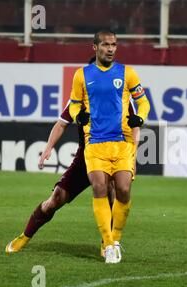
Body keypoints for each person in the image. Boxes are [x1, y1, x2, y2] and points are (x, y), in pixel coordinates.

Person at [5, 57, 140, 257]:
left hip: (113, 154)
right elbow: (61, 124)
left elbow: (135, 126)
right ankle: (24, 236)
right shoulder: (80, 98)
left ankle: (108, 242)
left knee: (114, 191)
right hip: (86, 157)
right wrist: (49, 147)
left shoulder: (122, 98)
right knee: (56, 198)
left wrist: (132, 155)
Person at [68, 30, 150, 264]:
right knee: (99, 187)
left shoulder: (128, 73)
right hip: (94, 141)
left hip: (122, 142)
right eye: (105, 45)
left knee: (123, 189)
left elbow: (142, 101)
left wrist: (140, 118)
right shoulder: (81, 75)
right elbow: (74, 104)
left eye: (114, 44)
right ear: (94, 47)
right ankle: (108, 244)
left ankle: (115, 239)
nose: (111, 49)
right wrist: (78, 116)